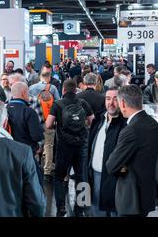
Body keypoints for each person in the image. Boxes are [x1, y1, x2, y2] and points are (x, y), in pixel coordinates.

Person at [106, 85, 158, 217]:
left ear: (123, 103)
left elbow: (111, 166)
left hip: (131, 199)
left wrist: (123, 167)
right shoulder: (153, 124)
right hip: (147, 193)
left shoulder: (130, 130)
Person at [45, 79, 94, 217]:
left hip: (64, 146)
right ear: (75, 90)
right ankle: (81, 208)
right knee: (81, 176)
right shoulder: (83, 103)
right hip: (81, 145)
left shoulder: (58, 104)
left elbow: (48, 124)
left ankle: (61, 208)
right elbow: (92, 120)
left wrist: (58, 126)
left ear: (64, 90)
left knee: (59, 177)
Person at [88, 87, 127, 217]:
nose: (111, 103)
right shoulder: (98, 119)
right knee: (97, 211)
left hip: (115, 178)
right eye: (108, 99)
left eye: (115, 99)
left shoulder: (126, 124)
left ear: (122, 101)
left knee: (116, 212)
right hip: (95, 175)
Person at [7, 82, 45, 185]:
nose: (29, 95)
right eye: (28, 93)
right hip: (26, 154)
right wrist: (38, 146)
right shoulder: (29, 112)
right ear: (23, 93)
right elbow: (37, 136)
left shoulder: (4, 109)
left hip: (7, 155)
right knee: (35, 184)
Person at [29, 65, 60, 182]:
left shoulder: (31, 88)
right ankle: (47, 171)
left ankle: (36, 164)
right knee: (49, 145)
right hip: (48, 121)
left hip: (34, 121)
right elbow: (57, 103)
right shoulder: (52, 88)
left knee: (35, 143)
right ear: (49, 77)